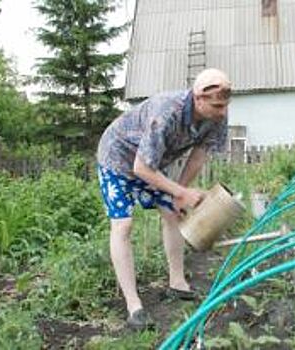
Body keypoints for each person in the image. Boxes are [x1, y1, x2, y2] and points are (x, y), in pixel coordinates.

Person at [96, 68, 231, 330]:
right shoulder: (167, 112)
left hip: (151, 162)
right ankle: (134, 307)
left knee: (172, 212)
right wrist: (181, 193)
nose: (222, 111)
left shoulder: (216, 116)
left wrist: (179, 192)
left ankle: (177, 283)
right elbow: (140, 169)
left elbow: (199, 154)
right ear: (198, 98)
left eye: (225, 105)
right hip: (117, 158)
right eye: (217, 105)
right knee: (123, 225)